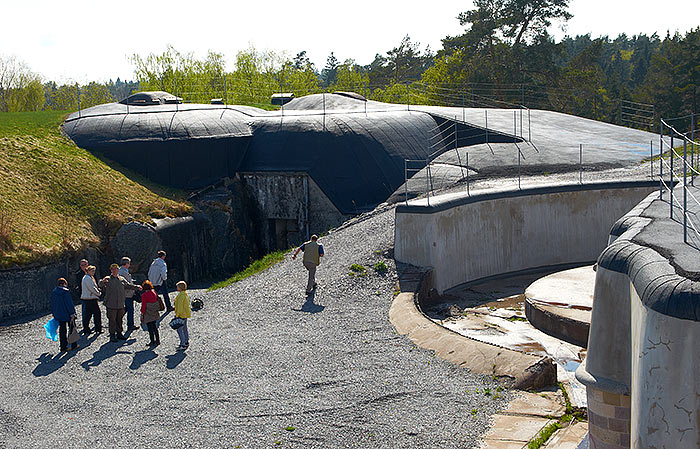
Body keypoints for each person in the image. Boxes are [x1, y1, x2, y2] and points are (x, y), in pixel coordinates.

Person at [99, 264, 141, 343]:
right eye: (113, 269)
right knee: (112, 320)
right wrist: (102, 281)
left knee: (119, 319)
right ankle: (112, 335)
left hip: (121, 303)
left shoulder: (121, 279)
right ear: (111, 270)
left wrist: (136, 287)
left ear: (118, 270)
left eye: (115, 269)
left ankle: (119, 333)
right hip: (111, 304)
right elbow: (100, 284)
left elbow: (128, 285)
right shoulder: (108, 279)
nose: (114, 270)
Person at [50, 278, 78, 352]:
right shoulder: (66, 292)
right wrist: (72, 313)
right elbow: (69, 304)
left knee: (62, 330)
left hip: (59, 314)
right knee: (72, 328)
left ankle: (63, 346)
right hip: (67, 313)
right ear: (64, 284)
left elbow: (52, 304)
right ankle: (73, 344)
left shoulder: (54, 292)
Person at [118, 257, 139, 331]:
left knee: (125, 309)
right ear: (126, 264)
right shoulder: (124, 272)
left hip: (123, 294)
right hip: (127, 294)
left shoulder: (120, 271)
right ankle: (130, 325)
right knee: (130, 310)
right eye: (129, 263)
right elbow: (127, 284)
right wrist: (135, 287)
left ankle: (117, 324)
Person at [81, 265, 102, 334]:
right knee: (97, 313)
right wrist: (98, 293)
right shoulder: (87, 278)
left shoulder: (88, 277)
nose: (93, 272)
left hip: (88, 298)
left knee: (88, 314)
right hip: (90, 298)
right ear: (88, 271)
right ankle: (98, 328)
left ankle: (86, 329)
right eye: (92, 271)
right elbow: (92, 288)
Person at [140, 280, 161, 347]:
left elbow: (143, 306)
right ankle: (157, 340)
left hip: (148, 312)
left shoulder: (144, 295)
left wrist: (142, 314)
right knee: (155, 327)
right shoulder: (154, 292)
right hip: (154, 311)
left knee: (150, 328)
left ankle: (152, 341)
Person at [173, 281, 191, 351]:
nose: (176, 288)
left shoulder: (180, 296)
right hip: (185, 314)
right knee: (184, 328)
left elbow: (180, 307)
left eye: (177, 286)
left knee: (179, 330)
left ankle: (182, 344)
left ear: (180, 288)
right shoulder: (185, 294)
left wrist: (177, 315)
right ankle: (186, 341)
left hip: (181, 315)